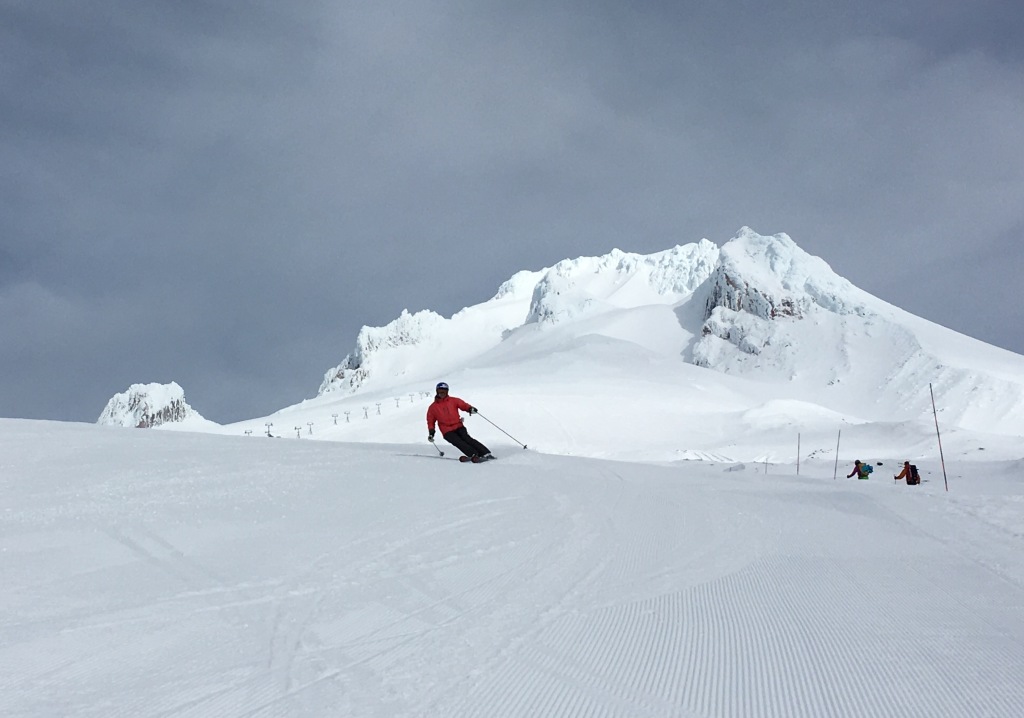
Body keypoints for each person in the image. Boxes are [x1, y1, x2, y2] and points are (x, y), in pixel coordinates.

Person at [426, 382, 493, 461]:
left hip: (458, 426)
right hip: (446, 430)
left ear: (447, 392)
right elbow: (430, 421)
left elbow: (463, 405)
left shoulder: (453, 400)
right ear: (437, 392)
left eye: (444, 391)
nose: (442, 393)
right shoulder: (433, 407)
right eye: (440, 391)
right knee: (458, 442)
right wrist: (431, 432)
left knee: (467, 439)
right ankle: (474, 454)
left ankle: (485, 453)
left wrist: (470, 409)